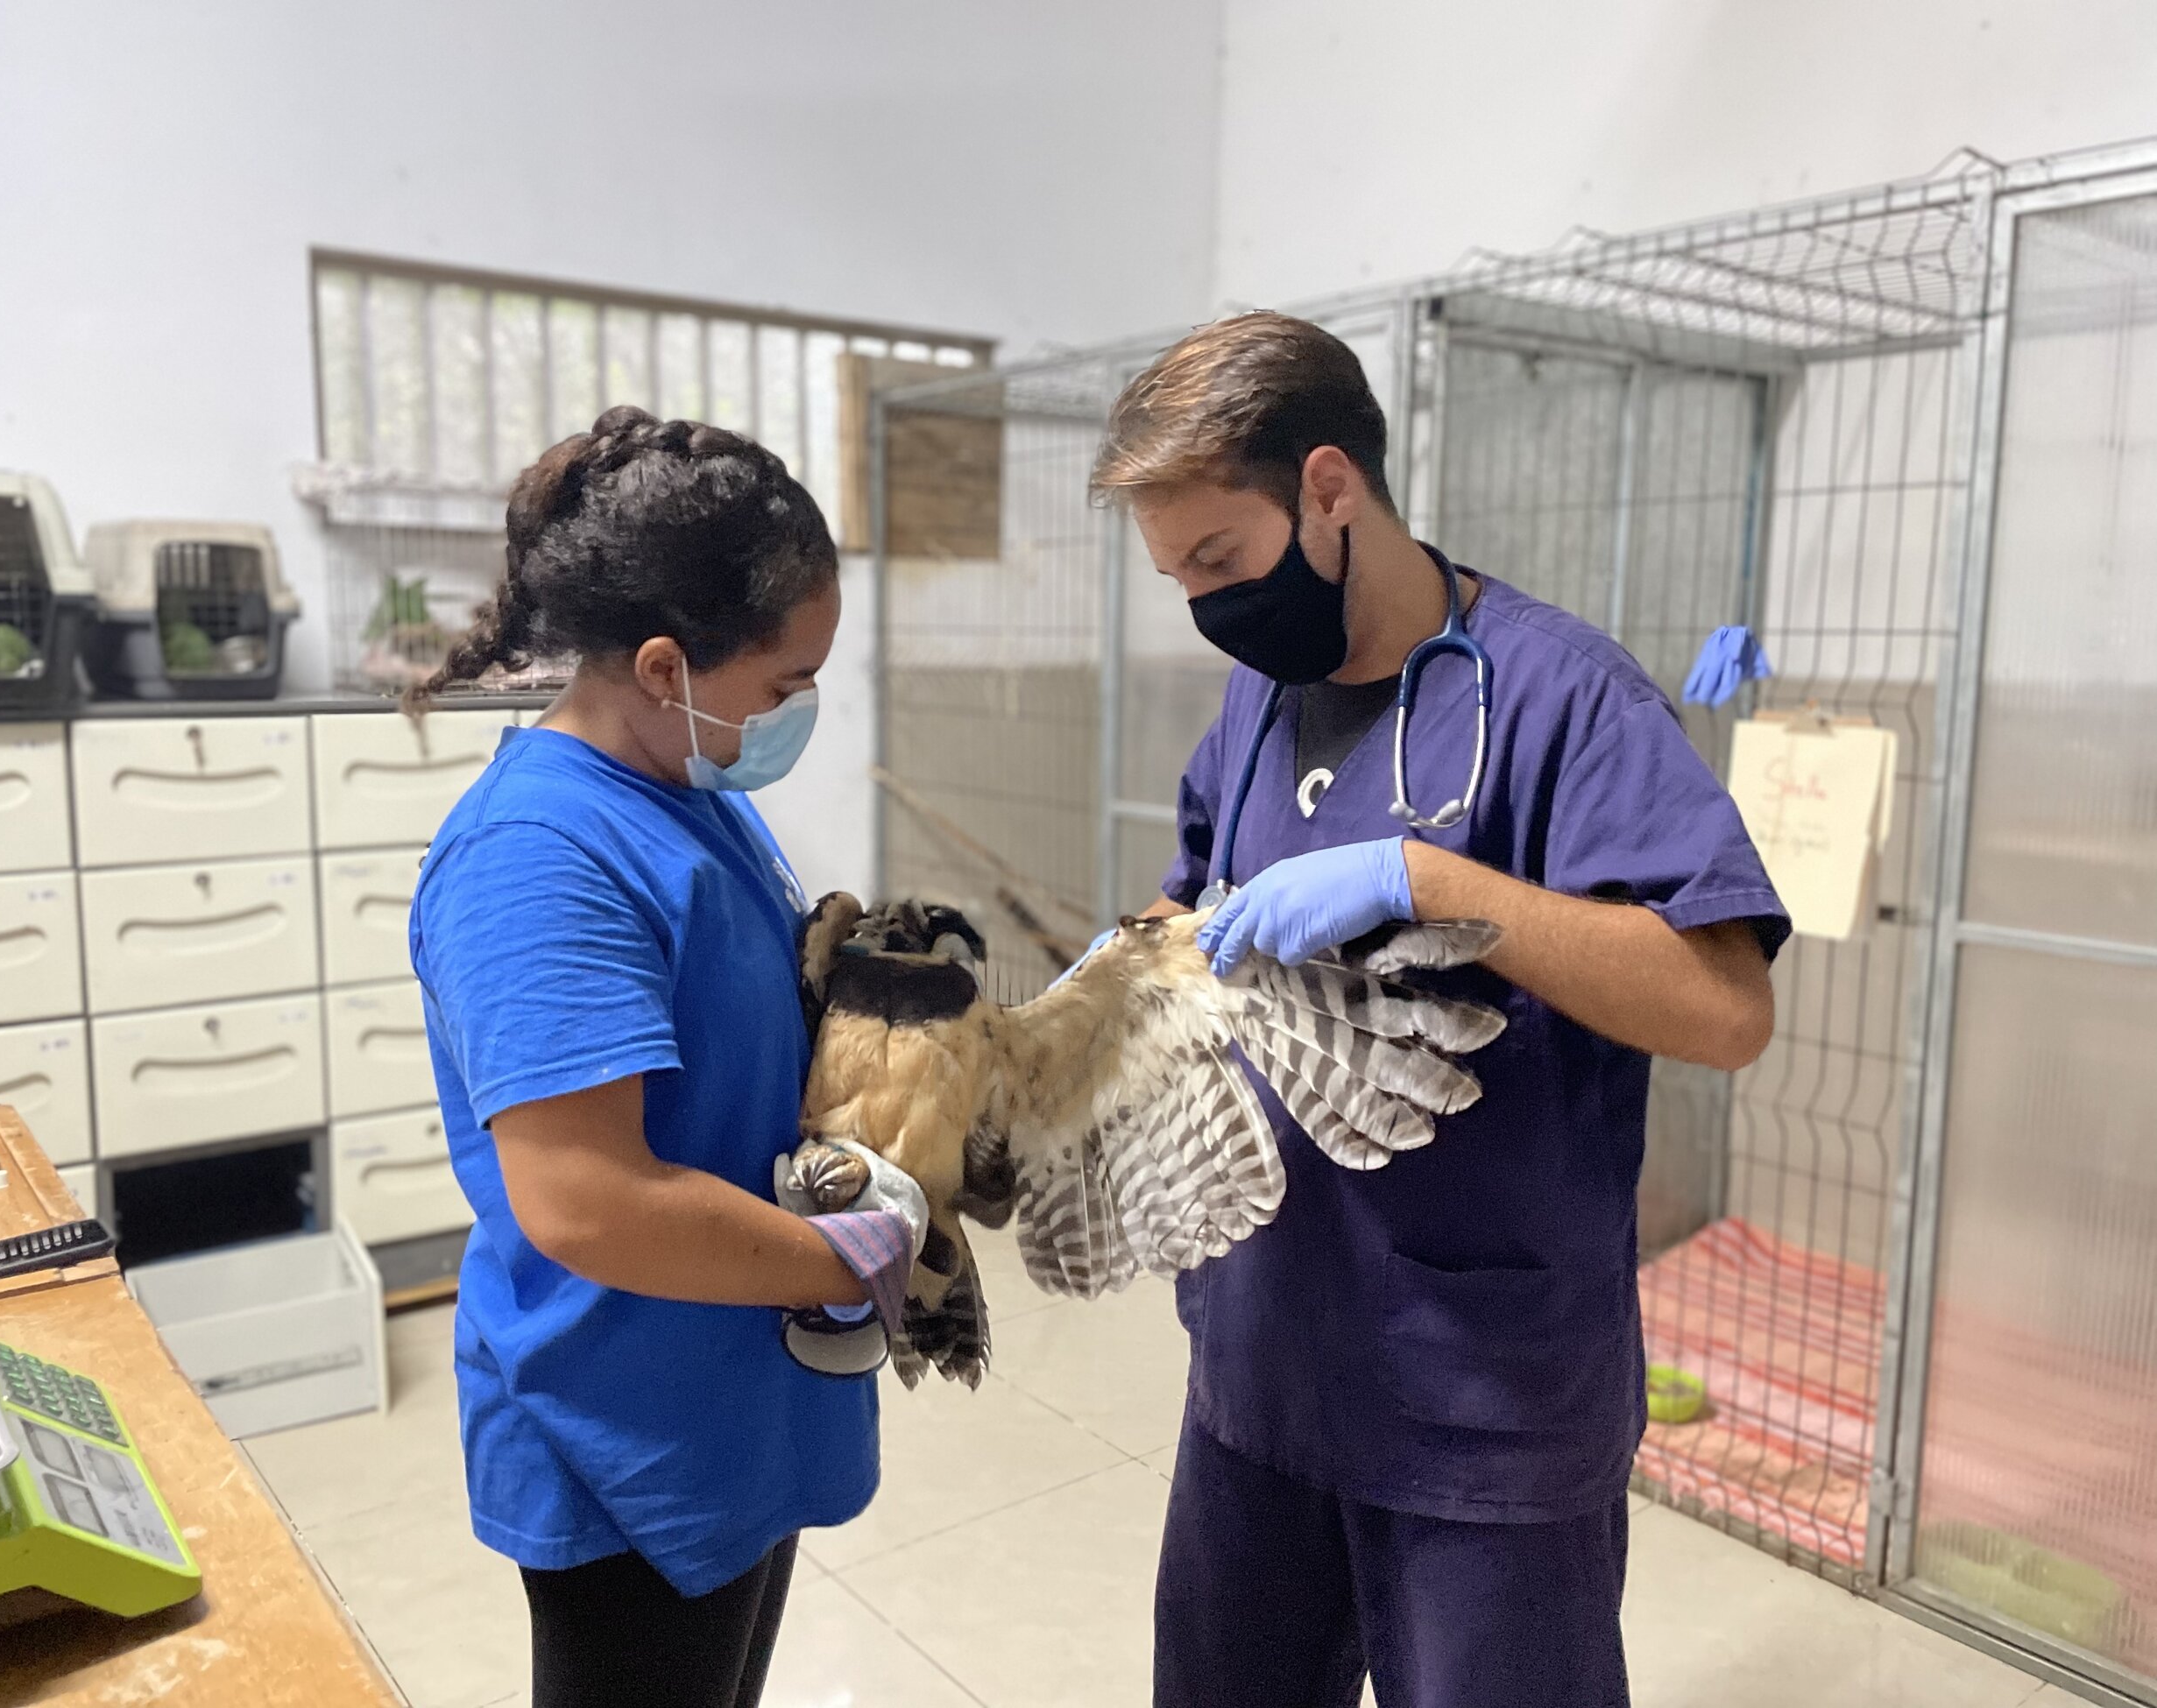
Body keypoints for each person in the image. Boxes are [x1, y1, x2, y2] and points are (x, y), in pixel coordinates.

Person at [1091, 314, 1790, 1708]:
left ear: (1330, 490)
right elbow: (1195, 918)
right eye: (1178, 578)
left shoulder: (1561, 696)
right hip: (1258, 1369)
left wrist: (1425, 875)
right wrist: (1112, 979)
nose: (1208, 606)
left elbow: (1725, 1006)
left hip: (1482, 1406)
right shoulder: (1258, 702)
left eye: (1220, 560)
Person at [407, 406, 927, 1708]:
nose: (797, 710)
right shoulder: (540, 856)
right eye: (783, 685)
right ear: (659, 666)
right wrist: (841, 1261)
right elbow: (591, 1199)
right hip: (625, 1417)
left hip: (730, 1388)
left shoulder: (689, 798)